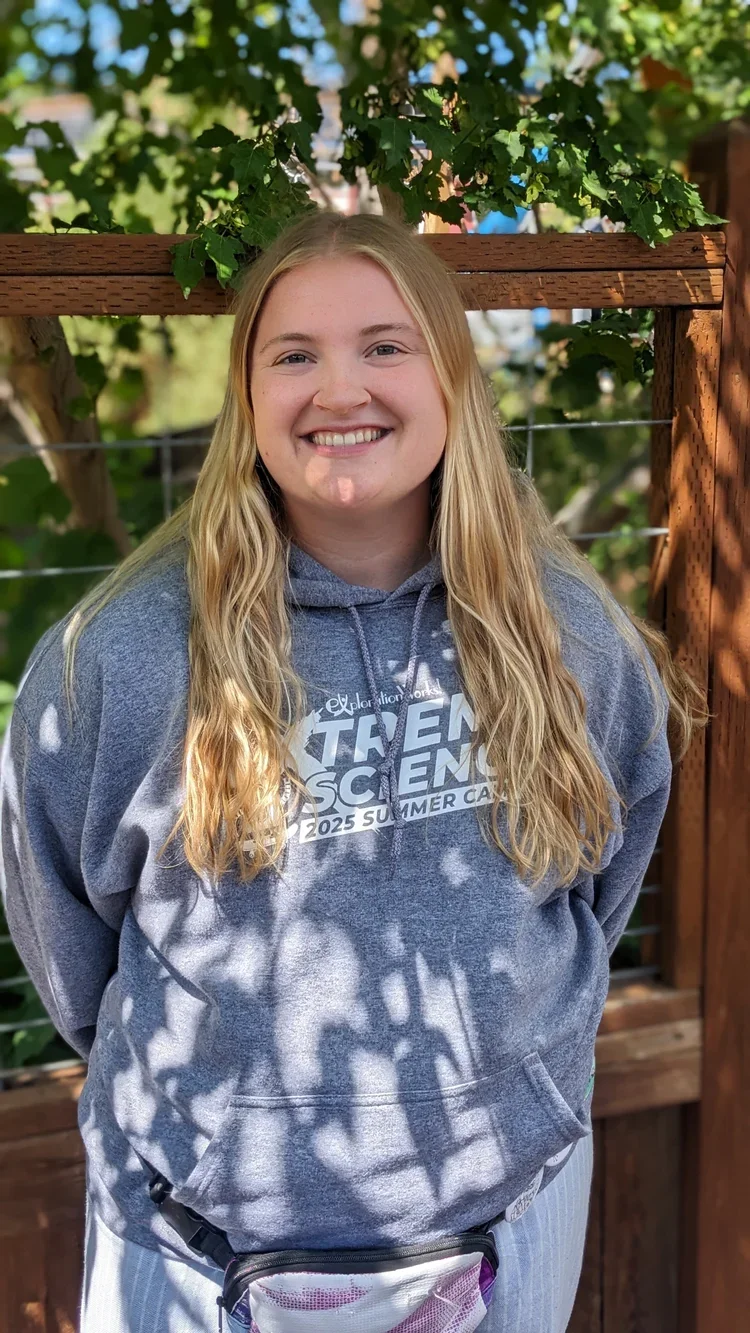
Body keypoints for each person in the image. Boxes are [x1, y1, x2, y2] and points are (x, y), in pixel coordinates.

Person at [0, 210, 705, 1333]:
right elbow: (69, 947)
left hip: (507, 1228)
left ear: (455, 377)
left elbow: (598, 888)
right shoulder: (117, 663)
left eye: (385, 345)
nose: (341, 390)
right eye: (294, 354)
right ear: (246, 398)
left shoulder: (574, 641)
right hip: (189, 1250)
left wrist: (506, 1076)